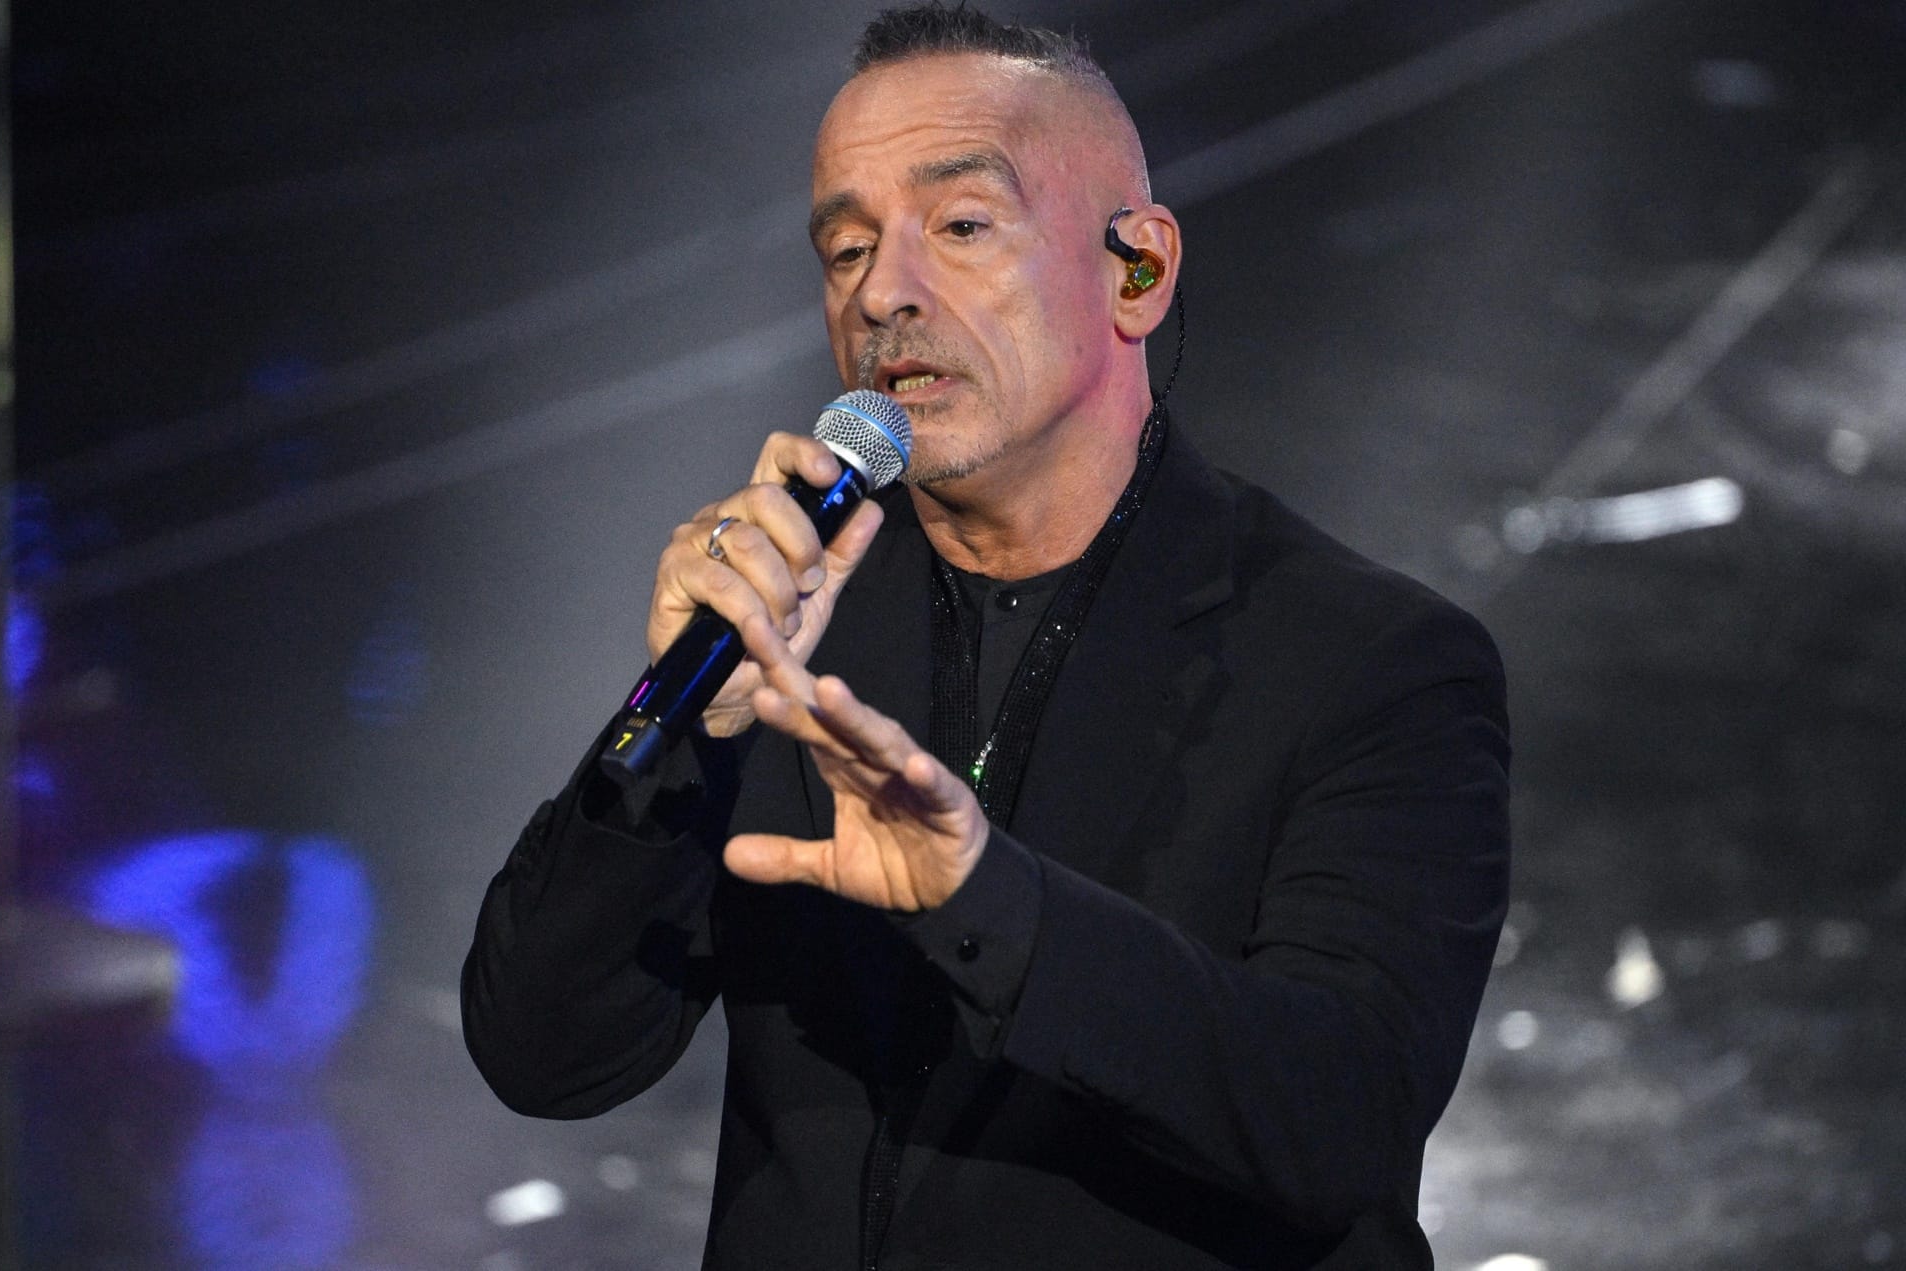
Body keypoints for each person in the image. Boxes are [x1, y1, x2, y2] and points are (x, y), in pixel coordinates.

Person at [461, 6, 1510, 1268]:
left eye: (960, 226)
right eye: (847, 248)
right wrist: (683, 721)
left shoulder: (1368, 657)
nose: (882, 292)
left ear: (1137, 270)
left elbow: (1341, 1117)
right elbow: (541, 1053)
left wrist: (986, 903)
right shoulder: (790, 631)